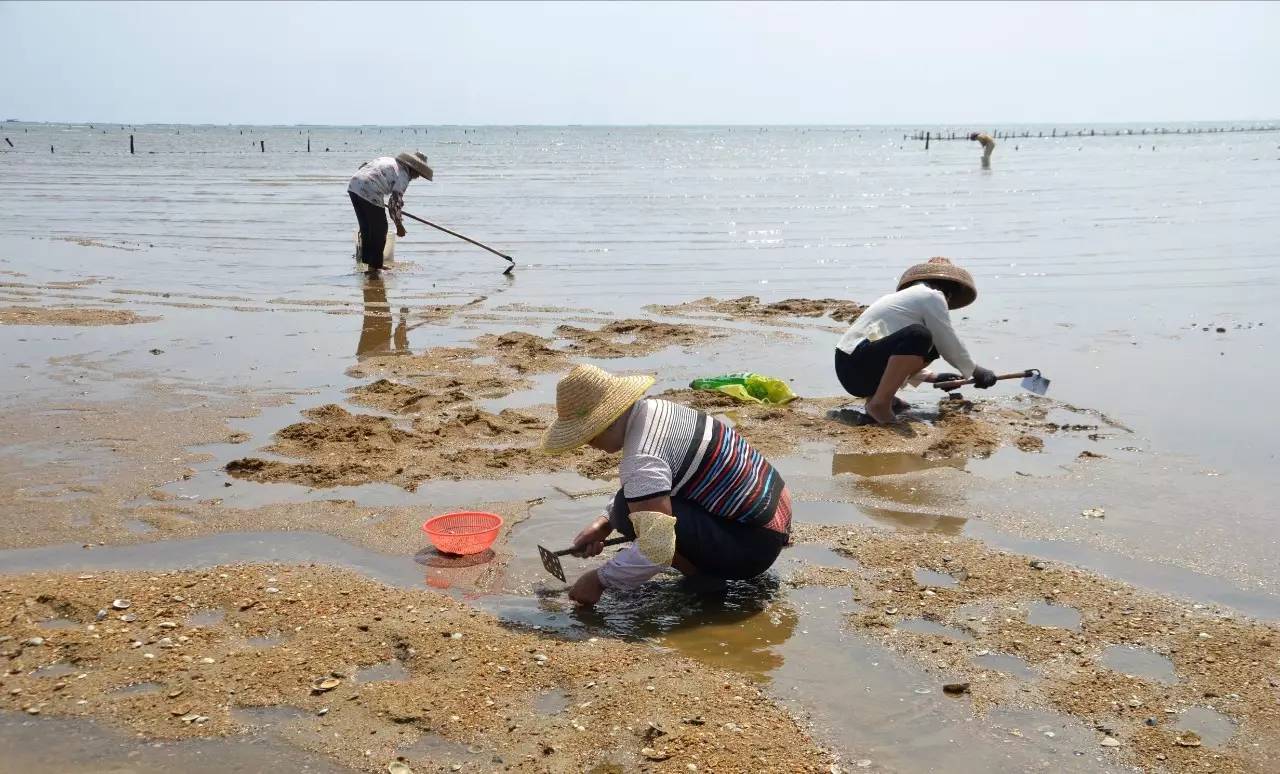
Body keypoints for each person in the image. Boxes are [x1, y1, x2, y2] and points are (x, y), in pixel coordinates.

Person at [541, 364, 792, 606]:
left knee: (628, 513)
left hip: (754, 546)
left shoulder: (642, 458)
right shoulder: (655, 410)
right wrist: (603, 524)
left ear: (606, 422)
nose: (589, 445)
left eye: (587, 436)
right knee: (624, 507)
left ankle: (705, 579)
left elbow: (657, 548)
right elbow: (648, 485)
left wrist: (598, 580)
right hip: (776, 513)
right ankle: (703, 567)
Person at [833, 257, 998, 425]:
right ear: (949, 290)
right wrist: (977, 371)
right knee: (919, 336)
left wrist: (933, 377)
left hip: (851, 368)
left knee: (930, 343)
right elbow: (948, 341)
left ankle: (879, 398)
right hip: (855, 366)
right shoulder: (932, 295)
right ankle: (880, 403)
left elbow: (895, 354)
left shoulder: (906, 299)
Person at [348, 151, 433, 277]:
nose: (417, 177)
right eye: (418, 173)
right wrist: (399, 225)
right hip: (370, 190)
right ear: (413, 169)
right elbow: (394, 204)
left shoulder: (387, 160)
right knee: (380, 228)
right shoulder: (403, 175)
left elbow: (364, 167)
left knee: (367, 227)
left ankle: (370, 264)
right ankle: (374, 268)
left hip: (354, 186)